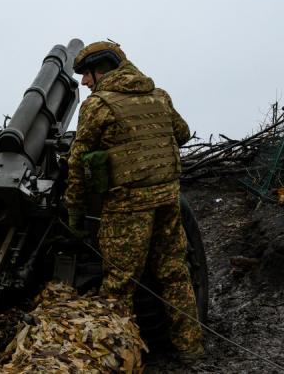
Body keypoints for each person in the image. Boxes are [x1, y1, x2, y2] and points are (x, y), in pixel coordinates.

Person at [64, 41, 204, 361]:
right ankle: (191, 348)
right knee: (174, 272)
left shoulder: (98, 105)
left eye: (87, 74)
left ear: (102, 70)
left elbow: (77, 161)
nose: (84, 82)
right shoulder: (159, 95)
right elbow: (181, 133)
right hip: (168, 198)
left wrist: (75, 212)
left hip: (127, 207)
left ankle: (120, 360)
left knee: (118, 287)